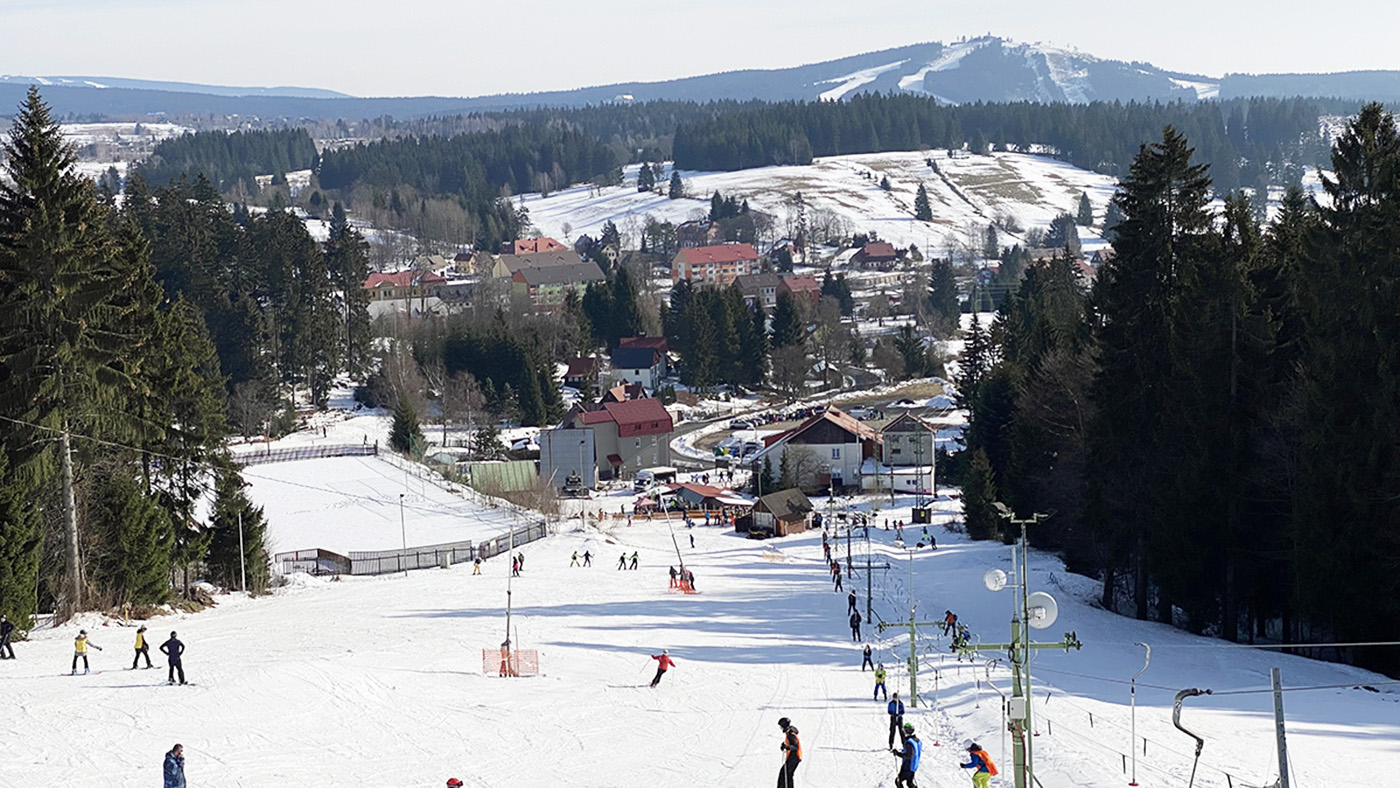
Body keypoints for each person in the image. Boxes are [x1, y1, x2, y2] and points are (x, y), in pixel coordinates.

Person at [891, 722, 922, 788]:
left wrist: (897, 753)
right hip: (914, 765)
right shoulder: (917, 740)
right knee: (909, 782)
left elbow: (909, 755)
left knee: (898, 781)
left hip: (908, 765)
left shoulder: (909, 742)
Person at [777, 716, 802, 788]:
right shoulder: (790, 733)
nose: (781, 728)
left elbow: (795, 746)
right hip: (794, 757)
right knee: (788, 775)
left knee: (784, 775)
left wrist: (787, 747)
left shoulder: (791, 735)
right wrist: (784, 745)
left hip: (794, 757)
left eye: (781, 727)